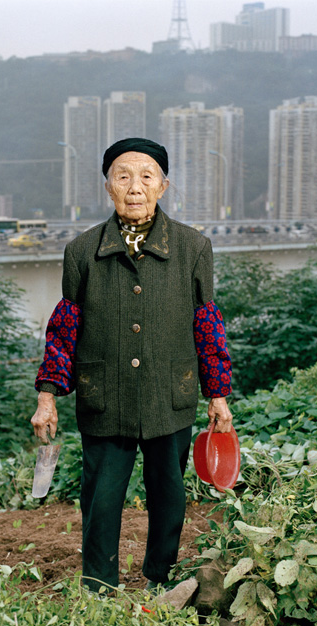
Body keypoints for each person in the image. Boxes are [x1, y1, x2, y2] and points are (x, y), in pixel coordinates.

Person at [30, 137, 234, 593]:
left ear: (163, 186)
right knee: (100, 500)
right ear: (109, 187)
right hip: (105, 398)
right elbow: (64, 330)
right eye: (123, 176)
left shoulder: (193, 247)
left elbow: (207, 324)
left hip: (170, 396)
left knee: (169, 497)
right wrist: (47, 397)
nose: (135, 187)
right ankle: (98, 587)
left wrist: (217, 393)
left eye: (146, 177)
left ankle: (159, 580)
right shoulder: (82, 251)